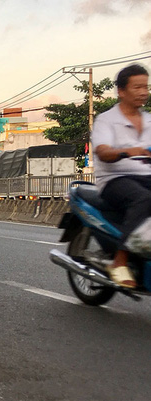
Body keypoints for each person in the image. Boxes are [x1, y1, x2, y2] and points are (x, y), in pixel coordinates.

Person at [91, 63, 151, 288]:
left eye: (145, 87)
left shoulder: (149, 121)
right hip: (115, 179)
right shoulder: (107, 120)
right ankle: (120, 260)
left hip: (145, 176)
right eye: (137, 87)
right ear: (122, 91)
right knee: (144, 199)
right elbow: (103, 152)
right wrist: (126, 151)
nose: (143, 92)